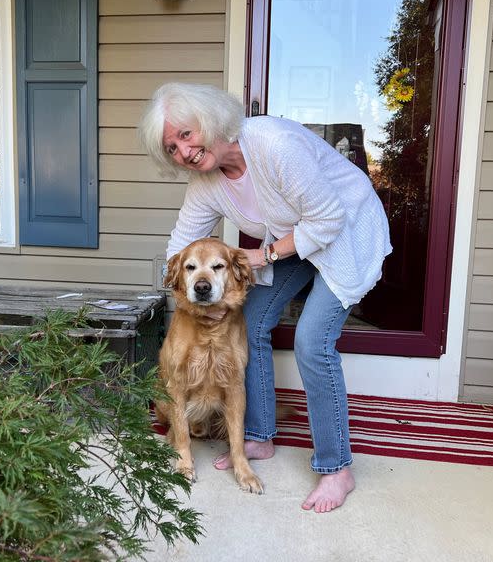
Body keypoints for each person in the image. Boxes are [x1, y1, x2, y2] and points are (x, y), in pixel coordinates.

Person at [139, 82, 392, 513]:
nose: (182, 151)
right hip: (298, 237)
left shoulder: (274, 145)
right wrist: (183, 282)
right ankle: (258, 436)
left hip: (345, 232)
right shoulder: (206, 182)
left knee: (313, 341)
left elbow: (328, 218)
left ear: (209, 121)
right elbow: (181, 243)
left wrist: (267, 254)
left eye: (186, 134)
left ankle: (336, 468)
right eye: (172, 146)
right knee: (251, 322)